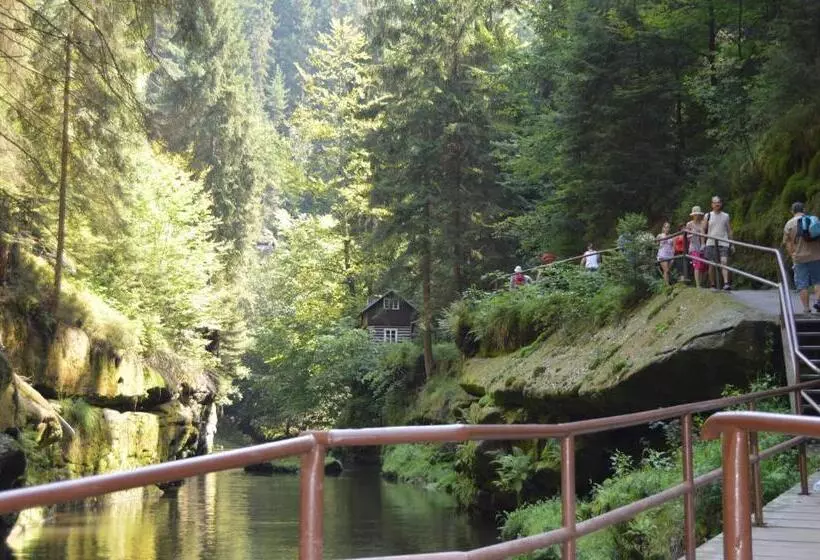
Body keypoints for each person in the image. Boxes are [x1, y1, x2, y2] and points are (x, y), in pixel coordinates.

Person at [783, 202, 820, 314]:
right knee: (818, 281)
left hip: (799, 258)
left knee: (802, 284)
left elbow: (788, 244)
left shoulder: (789, 224)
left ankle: (806, 308)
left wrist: (792, 255)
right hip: (816, 256)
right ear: (804, 209)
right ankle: (819, 302)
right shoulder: (814, 220)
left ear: (792, 211)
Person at [704, 195, 733, 290]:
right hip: (711, 242)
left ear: (721, 203)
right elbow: (703, 229)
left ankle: (726, 283)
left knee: (724, 262)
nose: (717, 204)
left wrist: (732, 244)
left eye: (719, 202)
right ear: (712, 204)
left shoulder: (726, 216)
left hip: (723, 242)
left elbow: (729, 230)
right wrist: (702, 243)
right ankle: (712, 284)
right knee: (711, 264)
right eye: (715, 202)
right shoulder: (708, 216)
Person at [685, 206, 707, 288]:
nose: (697, 216)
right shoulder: (689, 224)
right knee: (697, 264)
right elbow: (686, 236)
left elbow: (703, 234)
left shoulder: (702, 223)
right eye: (695, 214)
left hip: (701, 246)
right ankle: (698, 285)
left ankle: (701, 283)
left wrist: (703, 244)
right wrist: (692, 234)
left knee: (702, 266)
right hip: (693, 246)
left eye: (698, 214)